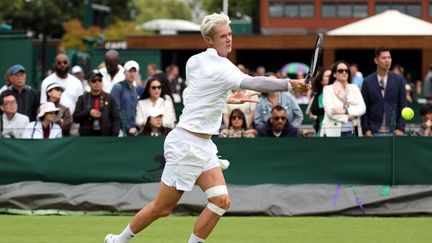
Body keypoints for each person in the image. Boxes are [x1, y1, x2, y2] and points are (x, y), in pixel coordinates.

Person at [104, 12, 307, 243]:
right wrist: (289, 84)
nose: (229, 39)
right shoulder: (222, 67)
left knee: (221, 201)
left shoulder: (194, 62)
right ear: (209, 40)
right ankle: (118, 241)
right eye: (222, 36)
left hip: (204, 145)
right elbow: (254, 81)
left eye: (230, 34)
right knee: (162, 208)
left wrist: (228, 99)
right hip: (185, 145)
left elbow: (197, 95)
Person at [361, 47, 407, 136]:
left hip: (394, 131)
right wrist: (366, 129)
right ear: (376, 60)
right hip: (373, 131)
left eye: (389, 57)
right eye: (384, 58)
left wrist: (400, 128)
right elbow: (364, 107)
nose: (387, 61)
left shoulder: (399, 80)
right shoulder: (367, 81)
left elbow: (403, 105)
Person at [321, 61, 366, 137]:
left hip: (353, 131)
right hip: (333, 132)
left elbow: (362, 108)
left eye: (346, 70)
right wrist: (351, 116)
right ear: (334, 74)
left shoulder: (354, 88)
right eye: (341, 71)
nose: (344, 72)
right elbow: (330, 112)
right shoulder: (328, 89)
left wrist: (345, 111)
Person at [73, 70, 121, 136]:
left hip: (105, 136)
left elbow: (116, 119)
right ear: (88, 83)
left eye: (100, 80)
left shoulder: (109, 98)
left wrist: (114, 135)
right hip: (87, 137)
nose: (97, 83)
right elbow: (75, 118)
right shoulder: (82, 98)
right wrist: (88, 112)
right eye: (94, 81)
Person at [111, 60, 140, 136]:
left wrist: (134, 127)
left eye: (134, 71)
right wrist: (127, 128)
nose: (132, 74)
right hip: (119, 130)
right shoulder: (117, 87)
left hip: (132, 130)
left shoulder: (135, 90)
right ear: (124, 73)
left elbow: (135, 111)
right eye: (129, 71)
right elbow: (116, 110)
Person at [306, 68, 331, 136]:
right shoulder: (319, 95)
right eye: (328, 76)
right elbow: (313, 111)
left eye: (332, 75)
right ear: (321, 81)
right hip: (323, 131)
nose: (331, 77)